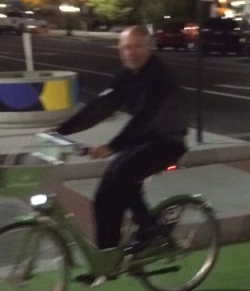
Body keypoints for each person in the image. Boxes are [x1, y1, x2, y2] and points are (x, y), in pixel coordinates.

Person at [54, 24, 188, 253]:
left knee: (119, 176)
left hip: (167, 142)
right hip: (142, 142)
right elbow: (101, 107)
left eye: (137, 46)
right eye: (125, 47)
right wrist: (61, 131)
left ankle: (148, 230)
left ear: (149, 48)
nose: (130, 52)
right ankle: (107, 254)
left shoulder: (160, 78)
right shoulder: (126, 76)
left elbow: (147, 118)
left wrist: (111, 146)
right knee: (105, 194)